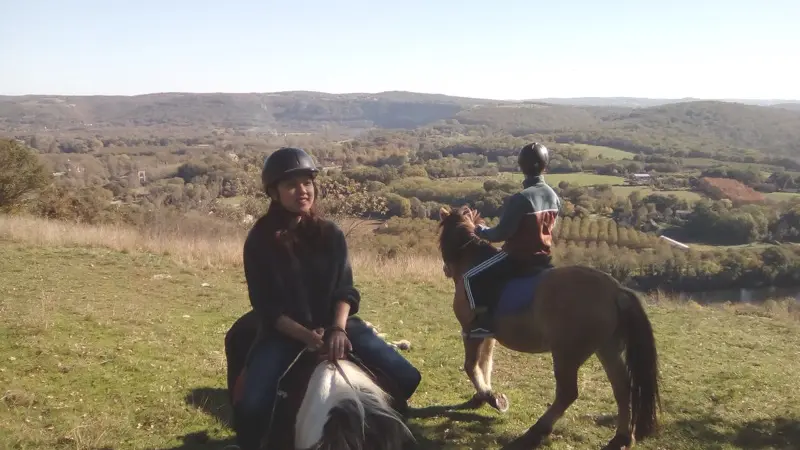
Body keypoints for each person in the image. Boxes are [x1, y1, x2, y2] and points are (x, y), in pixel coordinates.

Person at [232, 147, 422, 450]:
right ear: (274, 192)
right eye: (291, 185)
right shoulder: (259, 240)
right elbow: (266, 306)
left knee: (408, 376)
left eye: (307, 182)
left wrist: (337, 329)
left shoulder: (331, 233)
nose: (302, 191)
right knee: (253, 404)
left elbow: (345, 289)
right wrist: (306, 336)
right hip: (284, 334)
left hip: (337, 325)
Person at [462, 142, 562, 339]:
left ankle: (482, 325)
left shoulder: (521, 198)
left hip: (517, 258)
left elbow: (501, 234)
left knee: (469, 277)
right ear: (545, 166)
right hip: (543, 258)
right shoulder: (553, 196)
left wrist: (479, 230)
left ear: (521, 167)